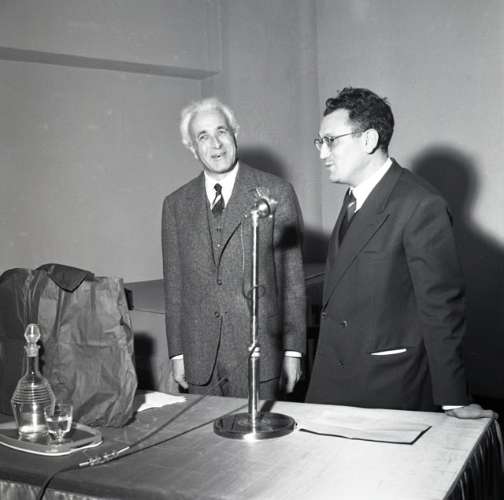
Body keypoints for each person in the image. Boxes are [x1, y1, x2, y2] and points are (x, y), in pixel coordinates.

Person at [305, 87, 495, 418]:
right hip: (333, 382)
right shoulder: (355, 197)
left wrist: (454, 399)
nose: (322, 153)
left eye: (331, 141)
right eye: (320, 142)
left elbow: (441, 309)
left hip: (385, 387)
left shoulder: (421, 204)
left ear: (368, 140)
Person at [162, 97, 306, 399]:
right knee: (203, 432)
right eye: (203, 136)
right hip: (200, 358)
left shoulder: (275, 192)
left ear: (235, 133)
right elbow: (174, 285)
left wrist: (293, 351)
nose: (215, 144)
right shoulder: (175, 205)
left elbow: (291, 280)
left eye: (221, 131)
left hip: (260, 354)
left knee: (259, 431)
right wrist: (177, 353)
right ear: (192, 147)